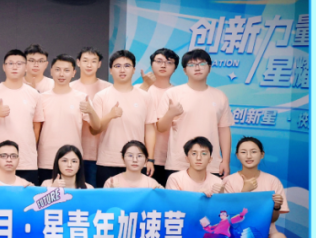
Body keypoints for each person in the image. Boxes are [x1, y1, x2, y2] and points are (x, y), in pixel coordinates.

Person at [221, 137, 290, 238]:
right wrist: (245, 191)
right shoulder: (228, 181)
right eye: (243, 152)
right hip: (237, 234)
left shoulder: (272, 181)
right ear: (237, 155)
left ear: (262, 155)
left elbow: (273, 219)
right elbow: (228, 218)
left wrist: (276, 206)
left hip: (266, 232)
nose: (249, 156)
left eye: (253, 152)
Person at [157, 49, 234, 177]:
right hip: (179, 163)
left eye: (202, 64)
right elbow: (161, 128)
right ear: (184, 70)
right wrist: (170, 114)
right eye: (192, 64)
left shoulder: (220, 96)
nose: (197, 68)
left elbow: (224, 130)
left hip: (211, 164)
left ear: (209, 68)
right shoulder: (172, 94)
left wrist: (225, 161)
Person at [99, 141, 163, 238]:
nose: (135, 160)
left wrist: (161, 194)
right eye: (130, 156)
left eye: (139, 156)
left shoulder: (152, 183)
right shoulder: (112, 181)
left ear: (146, 160)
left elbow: (161, 212)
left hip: (143, 232)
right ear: (123, 159)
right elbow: (104, 212)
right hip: (118, 231)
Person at [165, 136, 225, 238]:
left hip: (206, 224)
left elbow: (221, 214)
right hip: (182, 222)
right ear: (187, 157)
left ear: (210, 159)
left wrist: (220, 197)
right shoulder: (175, 178)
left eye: (204, 154)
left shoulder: (217, 182)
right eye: (194, 153)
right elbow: (173, 207)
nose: (199, 158)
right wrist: (198, 197)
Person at [90, 50, 157, 188]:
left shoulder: (145, 96)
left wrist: (150, 159)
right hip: (108, 161)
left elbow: (150, 129)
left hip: (137, 161)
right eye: (117, 66)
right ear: (110, 70)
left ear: (134, 70)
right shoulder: (101, 96)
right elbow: (95, 130)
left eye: (127, 66)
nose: (122, 70)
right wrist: (110, 115)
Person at [0, 50, 44, 185]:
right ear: (4, 67)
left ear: (26, 67)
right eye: (10, 63)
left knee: (28, 197)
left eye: (19, 63)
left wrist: (29, 147)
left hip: (26, 161)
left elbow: (37, 127)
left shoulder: (34, 94)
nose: (15, 67)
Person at [40, 145, 94, 238]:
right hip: (54, 235)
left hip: (78, 236)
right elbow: (39, 214)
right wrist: (52, 190)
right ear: (57, 163)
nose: (69, 165)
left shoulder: (88, 189)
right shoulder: (47, 184)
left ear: (80, 165)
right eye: (64, 160)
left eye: (74, 161)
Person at [36, 55, 97, 184]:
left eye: (66, 70)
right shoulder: (41, 98)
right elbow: (36, 130)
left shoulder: (82, 98)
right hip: (47, 160)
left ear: (74, 73)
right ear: (51, 71)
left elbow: (97, 128)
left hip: (73, 160)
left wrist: (91, 111)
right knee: (47, 195)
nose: (61, 74)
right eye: (57, 69)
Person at [71, 47, 110, 187]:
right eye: (85, 60)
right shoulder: (70, 87)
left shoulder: (108, 88)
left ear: (99, 64)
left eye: (93, 61)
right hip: (75, 153)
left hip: (102, 153)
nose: (89, 65)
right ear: (78, 62)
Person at [141, 48, 180, 186]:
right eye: (159, 61)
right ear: (151, 64)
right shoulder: (140, 89)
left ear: (175, 68)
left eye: (169, 62)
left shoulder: (179, 93)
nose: (163, 65)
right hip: (141, 157)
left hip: (170, 158)